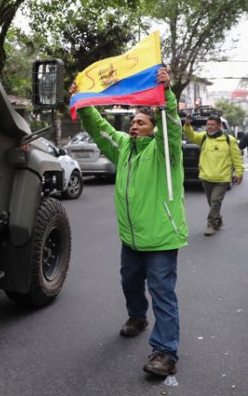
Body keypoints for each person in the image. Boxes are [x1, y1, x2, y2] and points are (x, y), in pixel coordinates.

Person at [70, 67, 187, 377]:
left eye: (141, 122)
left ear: (153, 127)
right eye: (133, 121)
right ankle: (137, 316)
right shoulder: (124, 148)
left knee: (163, 294)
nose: (134, 126)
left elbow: (171, 128)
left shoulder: (165, 152)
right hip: (131, 239)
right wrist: (82, 101)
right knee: (130, 282)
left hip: (161, 238)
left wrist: (167, 97)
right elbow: (99, 128)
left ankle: (165, 352)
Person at [183, 114, 244, 236]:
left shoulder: (229, 140)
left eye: (212, 125)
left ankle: (210, 225)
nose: (209, 127)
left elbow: (237, 158)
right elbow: (191, 136)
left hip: (222, 178)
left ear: (219, 126)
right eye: (208, 125)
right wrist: (187, 125)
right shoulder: (204, 137)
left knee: (215, 201)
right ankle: (218, 220)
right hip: (206, 177)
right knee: (212, 203)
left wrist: (239, 173)